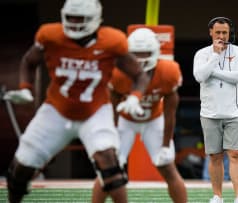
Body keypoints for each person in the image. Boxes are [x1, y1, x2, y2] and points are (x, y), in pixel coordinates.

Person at [2, 0, 150, 202]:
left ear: (95, 19)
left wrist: (136, 97)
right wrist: (26, 89)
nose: (74, 23)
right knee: (20, 169)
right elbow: (29, 60)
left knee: (109, 163)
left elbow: (139, 75)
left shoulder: (112, 41)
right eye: (71, 17)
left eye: (80, 18)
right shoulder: (50, 35)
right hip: (56, 109)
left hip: (95, 110)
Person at [91, 28, 187, 203]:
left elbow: (170, 111)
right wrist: (110, 137)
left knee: (168, 168)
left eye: (146, 53)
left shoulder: (168, 71)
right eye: (137, 53)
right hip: (124, 121)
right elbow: (110, 107)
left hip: (154, 119)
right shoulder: (118, 72)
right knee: (108, 169)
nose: (141, 59)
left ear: (156, 52)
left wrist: (166, 144)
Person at [193, 17, 238, 203]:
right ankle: (217, 196)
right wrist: (215, 56)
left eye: (224, 32)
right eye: (218, 32)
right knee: (214, 156)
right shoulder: (202, 54)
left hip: (235, 111)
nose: (221, 36)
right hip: (209, 112)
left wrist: (213, 72)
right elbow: (200, 76)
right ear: (211, 32)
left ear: (229, 32)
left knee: (235, 154)